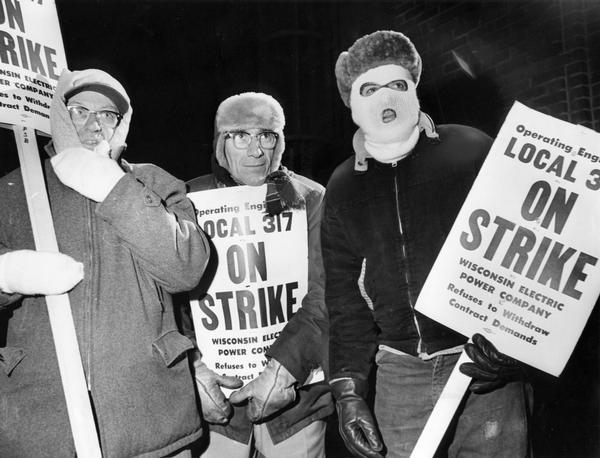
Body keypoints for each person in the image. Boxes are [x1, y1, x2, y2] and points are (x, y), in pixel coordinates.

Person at [322, 31, 531, 458]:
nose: (387, 98)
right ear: (351, 102)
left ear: (415, 87)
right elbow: (345, 300)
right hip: (400, 374)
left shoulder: (470, 149)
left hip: (480, 361)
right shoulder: (343, 186)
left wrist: (517, 348)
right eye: (369, 88)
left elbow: (527, 255)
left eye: (398, 84)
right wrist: (349, 390)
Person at [0, 68, 210, 457]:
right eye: (80, 110)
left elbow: (186, 268)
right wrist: (8, 274)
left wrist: (115, 189)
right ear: (60, 115)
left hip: (149, 418)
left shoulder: (155, 182)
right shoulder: (15, 189)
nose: (96, 124)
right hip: (41, 422)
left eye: (108, 114)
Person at [186, 92, 333, 457]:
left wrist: (286, 367)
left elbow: (327, 290)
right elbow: (169, 299)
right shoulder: (188, 199)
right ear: (221, 143)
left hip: (297, 404)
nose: (255, 150)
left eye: (266, 136)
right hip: (218, 403)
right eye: (240, 136)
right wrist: (192, 368)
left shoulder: (306, 197)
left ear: (279, 142)